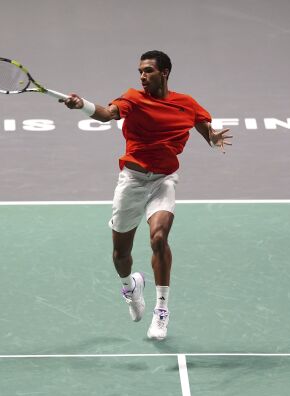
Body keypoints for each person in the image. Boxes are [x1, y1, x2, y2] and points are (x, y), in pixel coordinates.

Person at [60, 50, 231, 340]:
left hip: (163, 181)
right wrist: (83, 105)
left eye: (148, 71)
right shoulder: (133, 98)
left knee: (159, 238)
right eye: (140, 71)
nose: (142, 76)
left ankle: (161, 311)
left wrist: (213, 139)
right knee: (121, 253)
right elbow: (107, 115)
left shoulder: (186, 104)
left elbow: (206, 132)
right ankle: (130, 287)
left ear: (164, 73)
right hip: (132, 180)